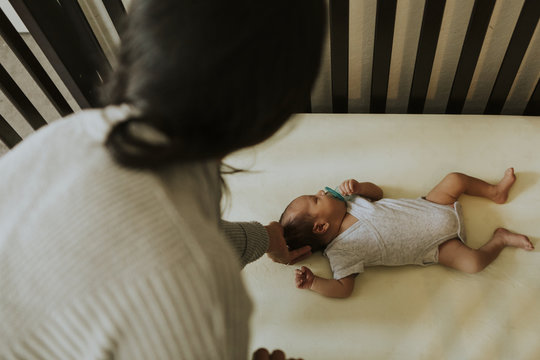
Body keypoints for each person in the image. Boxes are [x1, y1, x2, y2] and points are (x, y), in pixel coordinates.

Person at [0, 0, 324, 359]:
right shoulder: (204, 303)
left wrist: (264, 237)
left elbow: (168, 236)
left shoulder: (63, 137)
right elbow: (180, 252)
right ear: (269, 118)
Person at [280, 168, 534, 299]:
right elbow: (344, 288)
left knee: (455, 178)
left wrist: (359, 186)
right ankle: (500, 239)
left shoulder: (351, 201)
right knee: (473, 263)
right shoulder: (341, 252)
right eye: (316, 199)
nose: (322, 192)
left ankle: (494, 192)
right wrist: (315, 283)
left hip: (433, 204)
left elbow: (377, 193)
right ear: (321, 227)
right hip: (439, 247)